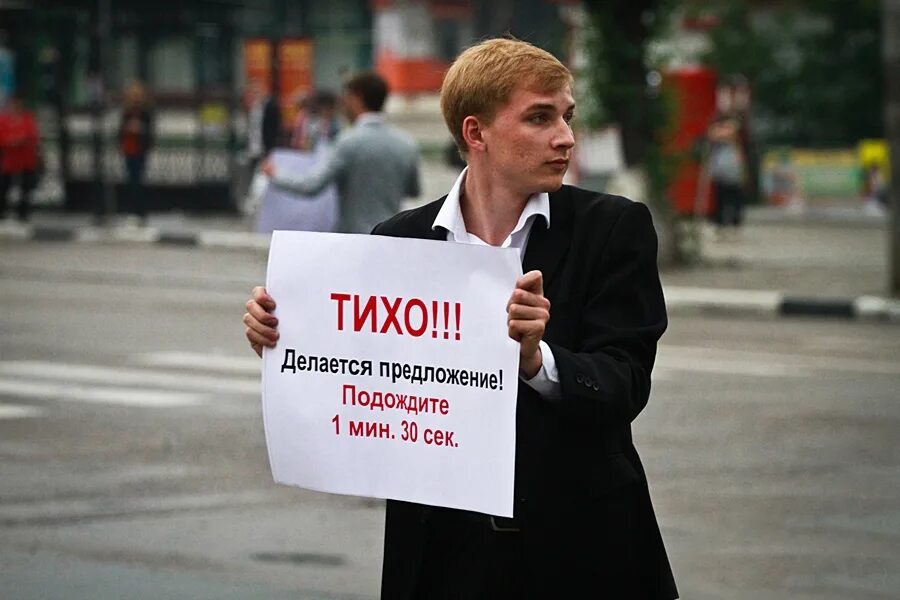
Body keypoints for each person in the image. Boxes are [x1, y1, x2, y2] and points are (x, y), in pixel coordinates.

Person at [244, 38, 677, 599]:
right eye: (539, 118)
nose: (565, 137)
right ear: (476, 133)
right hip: (442, 556)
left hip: (583, 552)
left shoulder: (612, 228)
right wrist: (285, 335)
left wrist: (536, 360)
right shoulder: (401, 240)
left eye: (566, 117)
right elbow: (363, 375)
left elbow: (625, 382)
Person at [261, 71, 420, 234]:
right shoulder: (406, 143)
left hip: (354, 238)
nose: (343, 106)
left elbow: (311, 186)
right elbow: (413, 191)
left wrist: (276, 174)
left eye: (346, 98)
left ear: (357, 98)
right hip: (390, 236)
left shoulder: (348, 142)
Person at [117, 81, 154, 227]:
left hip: (140, 149)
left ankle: (140, 211)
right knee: (130, 179)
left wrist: (140, 128)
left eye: (137, 95)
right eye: (132, 95)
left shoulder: (146, 111)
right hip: (128, 148)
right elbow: (121, 129)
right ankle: (132, 210)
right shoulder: (126, 111)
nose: (135, 97)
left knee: (138, 180)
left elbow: (150, 130)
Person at [0, 93, 40, 225]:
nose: (15, 107)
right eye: (13, 104)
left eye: (18, 104)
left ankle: (23, 213)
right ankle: (3, 212)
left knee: (25, 188)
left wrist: (19, 140)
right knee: (4, 187)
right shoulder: (3, 120)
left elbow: (32, 136)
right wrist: (12, 140)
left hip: (26, 160)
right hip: (9, 161)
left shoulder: (27, 119)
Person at [705, 113, 746, 240]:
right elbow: (712, 135)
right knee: (720, 198)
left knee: (735, 197)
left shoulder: (736, 131)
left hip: (733, 168)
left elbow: (732, 133)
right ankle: (720, 225)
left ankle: (734, 224)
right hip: (720, 169)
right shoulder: (716, 131)